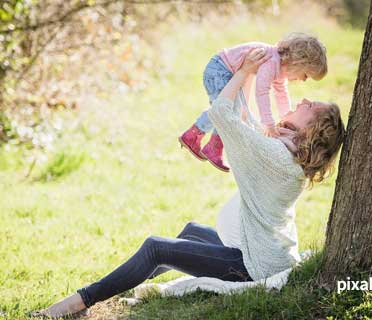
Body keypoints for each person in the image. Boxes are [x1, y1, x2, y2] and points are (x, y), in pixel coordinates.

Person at [31, 48, 344, 318]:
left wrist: (245, 71)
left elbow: (222, 113)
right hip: (263, 253)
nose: (303, 100)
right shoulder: (287, 153)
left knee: (157, 247)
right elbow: (246, 122)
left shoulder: (276, 155)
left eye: (311, 107)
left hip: (254, 266)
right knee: (191, 231)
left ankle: (80, 301)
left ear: (311, 130)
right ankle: (118, 284)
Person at [179, 33, 327, 172]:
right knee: (226, 110)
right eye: (306, 75)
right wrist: (268, 122)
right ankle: (206, 142)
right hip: (219, 70)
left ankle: (204, 141)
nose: (303, 80)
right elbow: (261, 92)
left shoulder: (279, 67)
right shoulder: (272, 62)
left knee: (228, 110)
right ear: (299, 63)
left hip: (224, 70)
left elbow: (281, 93)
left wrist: (285, 116)